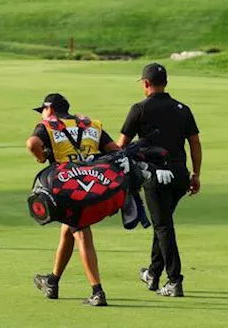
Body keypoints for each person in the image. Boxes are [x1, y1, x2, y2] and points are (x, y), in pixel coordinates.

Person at [28, 93, 120, 307]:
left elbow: (32, 143)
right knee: (68, 231)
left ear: (49, 108)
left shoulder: (48, 125)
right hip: (91, 183)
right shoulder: (90, 125)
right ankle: (52, 281)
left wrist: (42, 158)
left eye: (42, 109)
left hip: (67, 188)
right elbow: (116, 151)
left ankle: (97, 291)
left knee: (81, 232)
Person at [118, 63, 202, 298]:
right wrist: (196, 173)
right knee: (161, 222)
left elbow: (121, 144)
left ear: (146, 83)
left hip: (155, 177)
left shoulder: (139, 109)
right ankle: (153, 274)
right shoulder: (182, 109)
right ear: (165, 82)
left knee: (163, 226)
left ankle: (174, 281)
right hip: (180, 177)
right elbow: (194, 142)